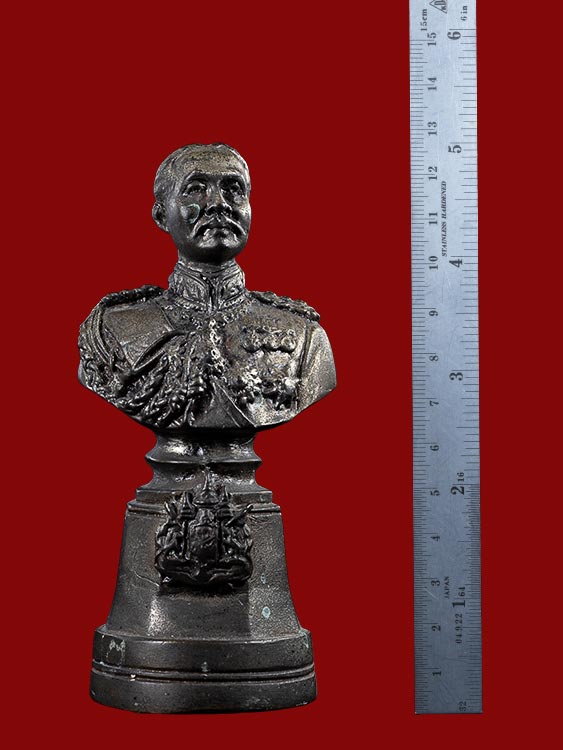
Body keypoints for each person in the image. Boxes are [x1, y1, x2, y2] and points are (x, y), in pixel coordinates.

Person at [78, 143, 336, 431]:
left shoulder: (304, 335)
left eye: (233, 189)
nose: (218, 204)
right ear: (161, 216)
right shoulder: (112, 329)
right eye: (196, 189)